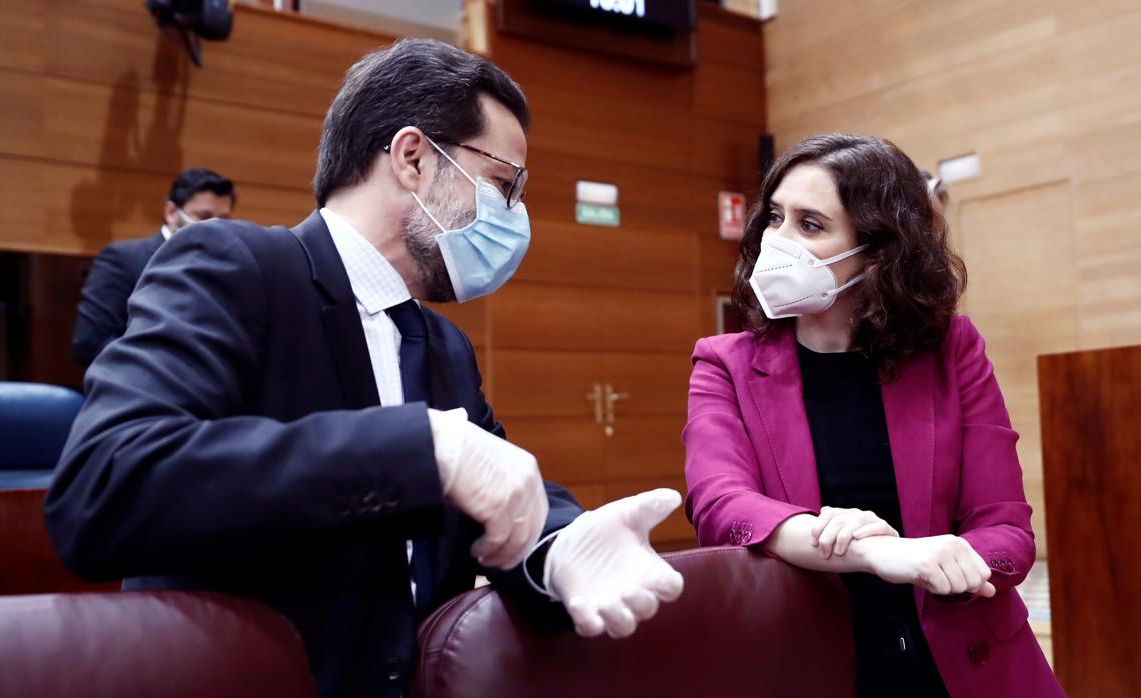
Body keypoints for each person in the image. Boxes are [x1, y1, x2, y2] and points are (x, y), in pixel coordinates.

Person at [46, 39, 684, 698]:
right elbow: (105, 485)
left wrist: (560, 548)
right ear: (412, 158)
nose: (515, 216)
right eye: (502, 184)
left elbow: (496, 485)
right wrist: (423, 449)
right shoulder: (237, 266)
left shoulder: (443, 346)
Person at [682, 134, 1062, 697]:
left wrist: (955, 561)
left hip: (964, 665)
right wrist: (879, 552)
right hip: (810, 663)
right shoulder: (725, 363)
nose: (776, 241)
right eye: (776, 218)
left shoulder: (952, 350)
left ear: (880, 251)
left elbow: (1006, 530)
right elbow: (721, 505)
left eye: (810, 225)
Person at [72, 167, 237, 367]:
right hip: (139, 389)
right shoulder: (122, 260)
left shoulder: (229, 269)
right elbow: (91, 343)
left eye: (224, 220)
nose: (215, 229)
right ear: (171, 212)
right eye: (203, 217)